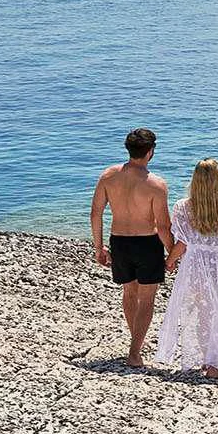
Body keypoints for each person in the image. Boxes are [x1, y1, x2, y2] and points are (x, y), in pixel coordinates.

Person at [156, 158, 218, 379]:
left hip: (196, 267)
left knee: (203, 313)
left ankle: (207, 359)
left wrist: (169, 261)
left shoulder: (184, 207)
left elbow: (182, 244)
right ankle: (213, 363)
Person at [89, 128, 173, 368]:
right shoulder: (156, 184)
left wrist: (99, 246)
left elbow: (96, 212)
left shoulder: (108, 175)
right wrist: (173, 252)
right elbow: (163, 225)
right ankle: (135, 352)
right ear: (150, 152)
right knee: (146, 300)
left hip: (120, 240)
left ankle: (136, 339)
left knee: (129, 293)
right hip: (147, 243)